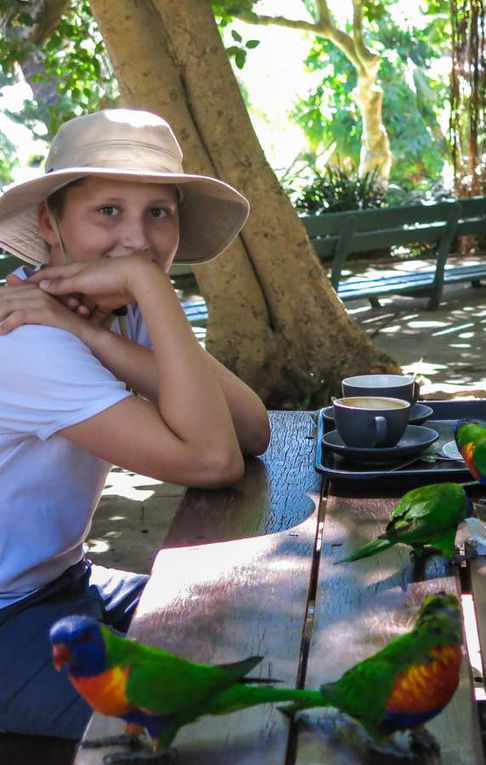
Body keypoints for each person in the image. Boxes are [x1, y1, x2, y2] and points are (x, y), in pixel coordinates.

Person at [0, 109, 270, 739]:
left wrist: (140, 300)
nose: (139, 239)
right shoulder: (25, 339)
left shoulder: (114, 306)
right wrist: (149, 289)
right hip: (8, 619)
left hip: (67, 585)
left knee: (257, 631)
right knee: (212, 729)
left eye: (158, 212)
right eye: (108, 211)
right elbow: (213, 461)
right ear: (48, 221)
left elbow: (252, 428)